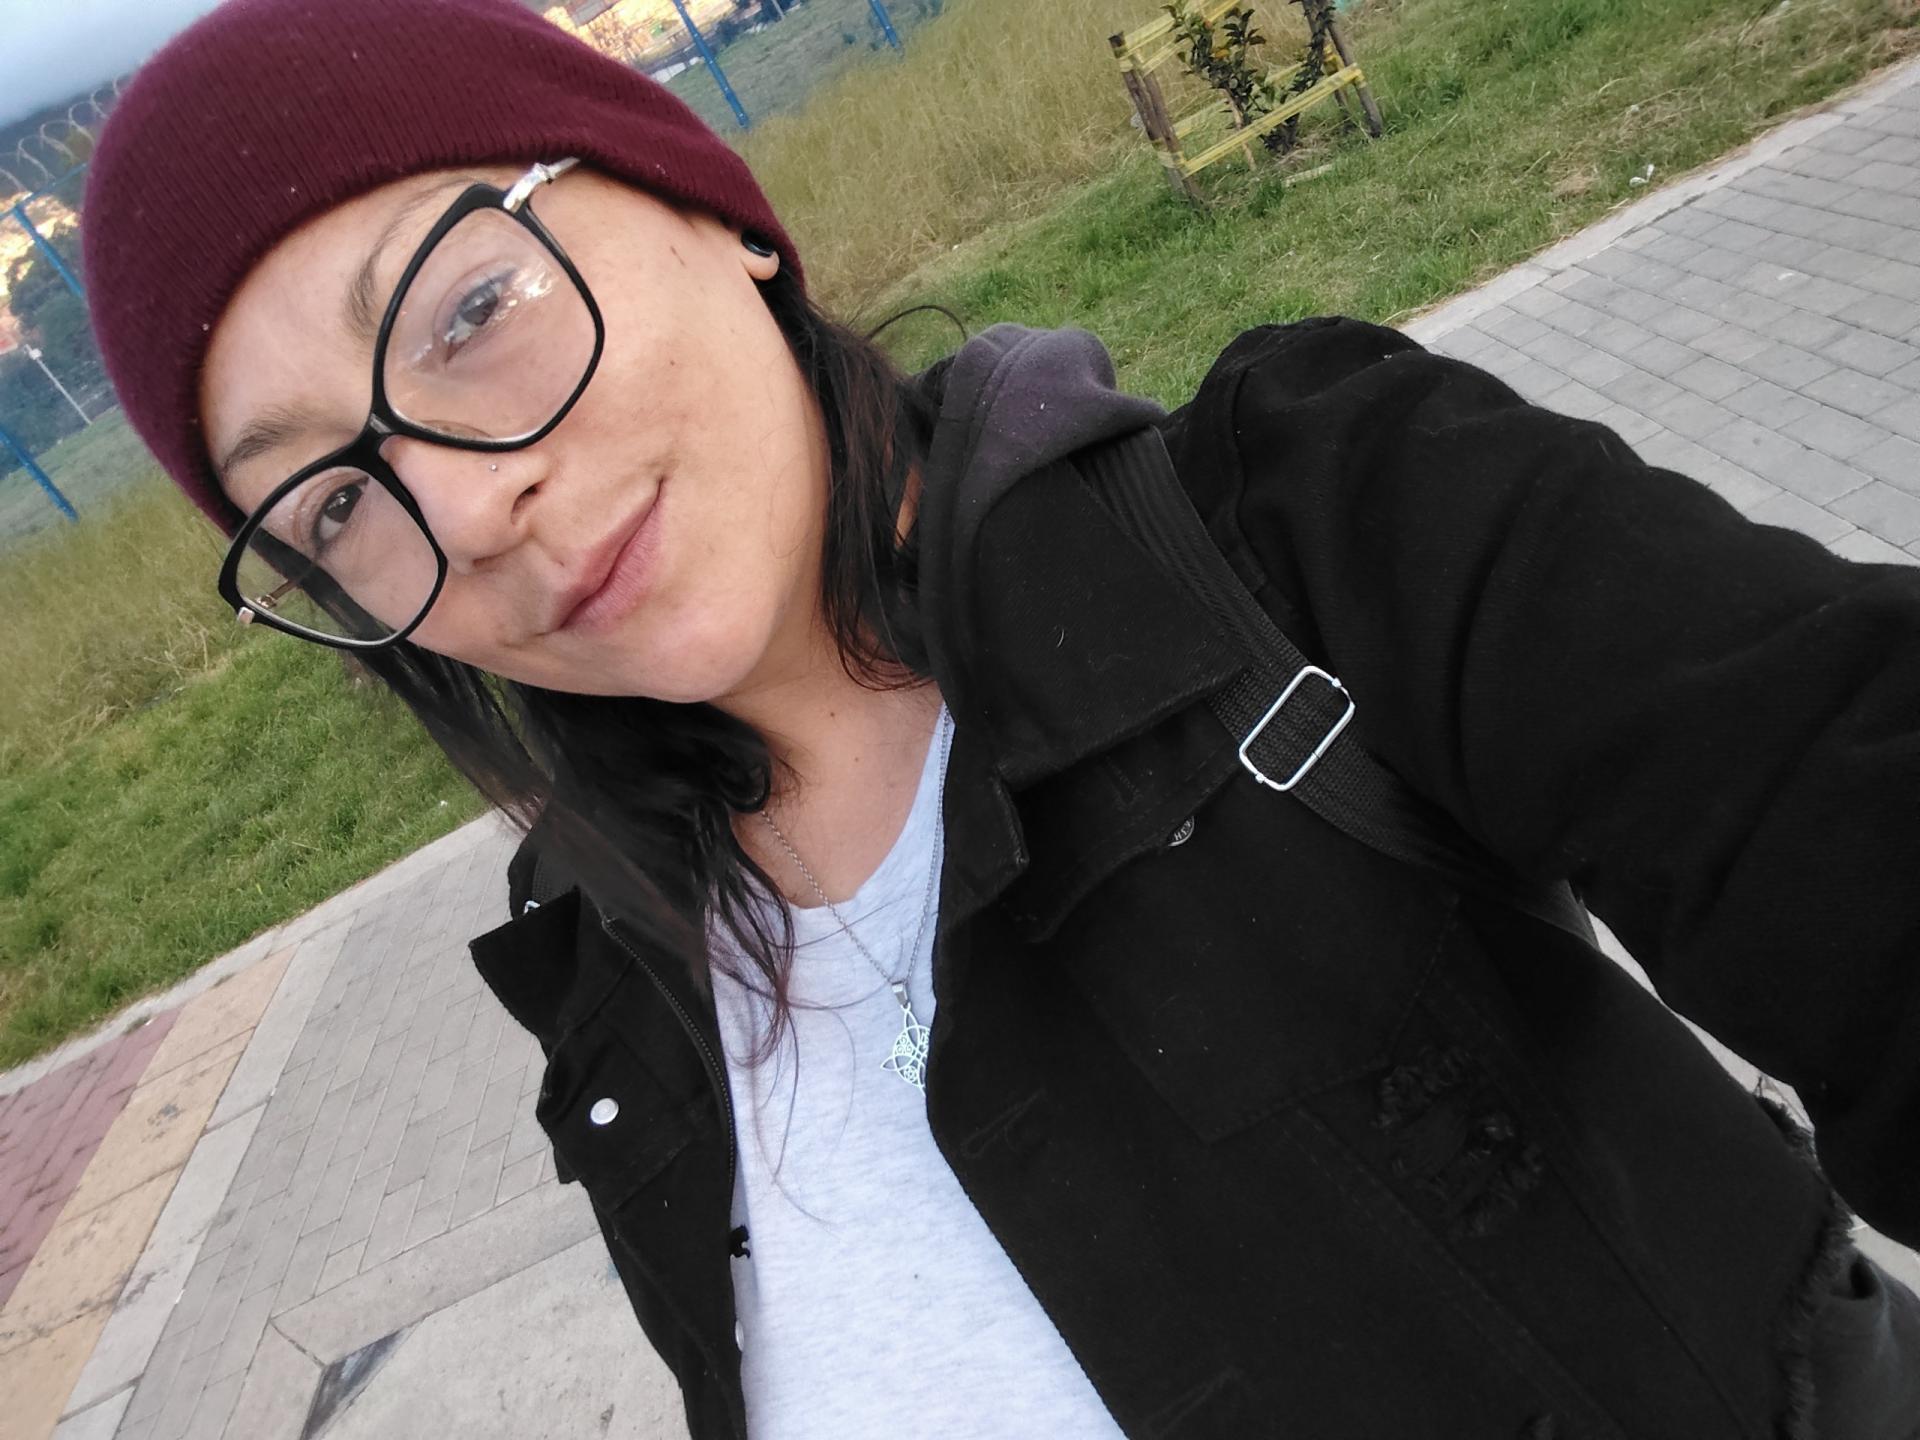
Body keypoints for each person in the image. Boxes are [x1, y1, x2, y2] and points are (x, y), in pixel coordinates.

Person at [83, 0, 1920, 1435]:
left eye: (471, 307)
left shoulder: (1313, 520)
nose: (469, 509)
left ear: (711, 216)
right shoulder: (601, 961)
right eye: (333, 501)